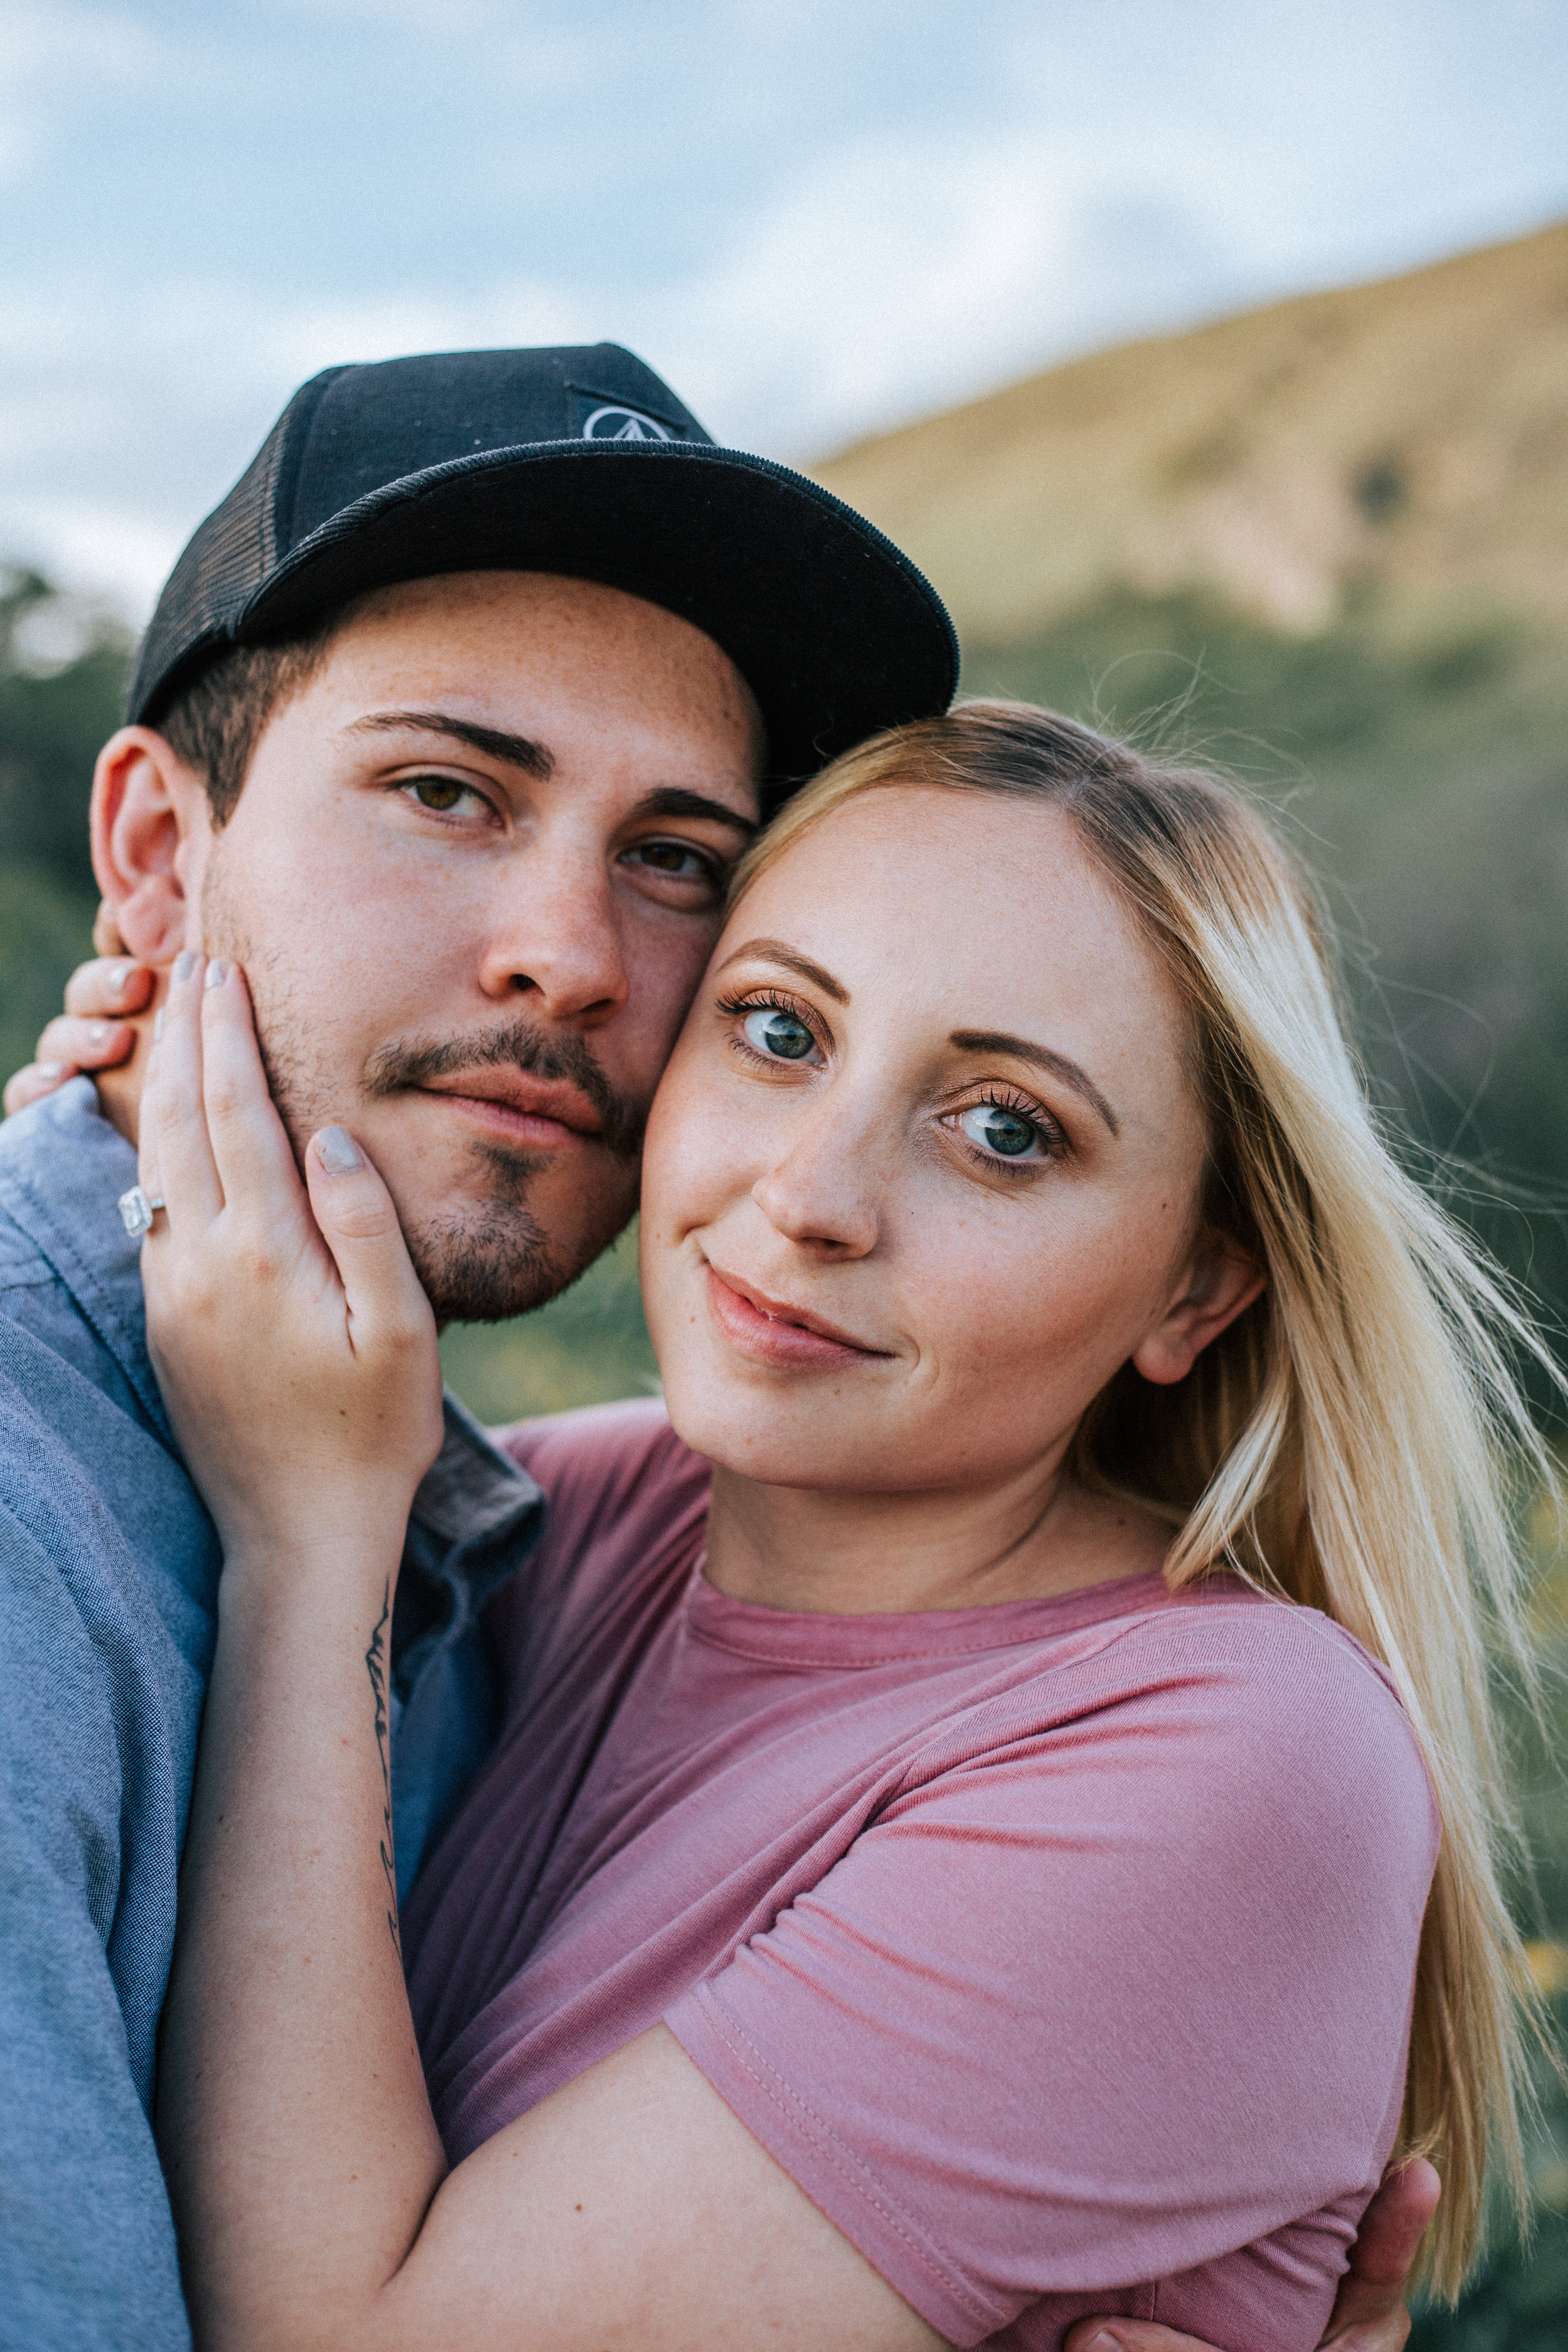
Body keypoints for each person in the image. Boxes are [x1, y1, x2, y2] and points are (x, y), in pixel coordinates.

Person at [130, 704, 1549, 2349]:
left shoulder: (1234, 1762)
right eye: (778, 1031)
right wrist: (114, 1115)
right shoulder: (584, 1513)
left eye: (1005, 1130)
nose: (811, 1194)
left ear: (1195, 1287)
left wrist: (309, 1555)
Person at [0, 338, 957, 2351]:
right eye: (446, 793)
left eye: (678, 860)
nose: (574, 954)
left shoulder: (510, 1542)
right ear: (161, 860)